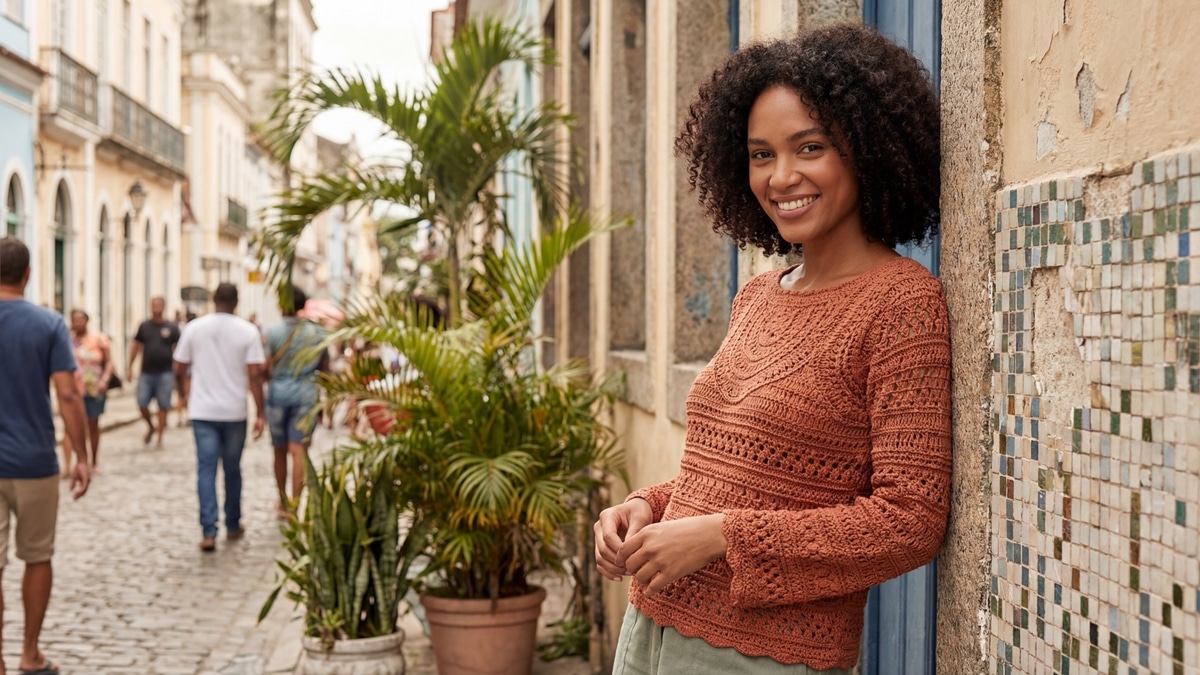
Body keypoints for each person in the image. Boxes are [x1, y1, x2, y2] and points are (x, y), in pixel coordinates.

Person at [593, 24, 951, 674]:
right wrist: (649, 505)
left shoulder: (900, 303)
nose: (781, 176)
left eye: (809, 147)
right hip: (650, 626)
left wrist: (720, 537)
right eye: (761, 154)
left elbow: (910, 518)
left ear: (867, 149)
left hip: (761, 655)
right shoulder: (758, 295)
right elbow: (739, 474)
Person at [0, 237, 90, 675]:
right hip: (34, 460)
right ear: (28, 274)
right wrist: (83, 455)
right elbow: (69, 395)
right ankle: (30, 654)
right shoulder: (49, 324)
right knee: (37, 556)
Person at [173, 283, 267, 552]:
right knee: (233, 469)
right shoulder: (248, 331)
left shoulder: (194, 328)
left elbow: (178, 367)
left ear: (214, 300)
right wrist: (260, 412)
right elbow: (255, 376)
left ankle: (209, 530)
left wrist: (183, 395)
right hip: (234, 411)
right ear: (237, 302)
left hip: (202, 411)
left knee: (206, 469)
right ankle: (234, 523)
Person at [264, 287, 327, 517]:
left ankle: (281, 500)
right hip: (307, 395)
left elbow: (265, 365)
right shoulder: (317, 332)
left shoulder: (273, 332)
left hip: (278, 395)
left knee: (279, 450)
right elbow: (325, 368)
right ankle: (294, 503)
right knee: (298, 450)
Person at [128, 296, 181, 446]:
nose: (156, 307)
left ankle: (159, 436)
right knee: (142, 402)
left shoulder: (171, 327)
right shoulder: (144, 326)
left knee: (163, 405)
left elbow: (178, 349)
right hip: (146, 372)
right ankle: (151, 426)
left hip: (165, 372)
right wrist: (130, 367)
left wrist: (178, 372)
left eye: (158, 305)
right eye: (153, 305)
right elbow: (136, 346)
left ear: (163, 307)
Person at [67, 309, 113, 475]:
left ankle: (93, 460)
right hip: (73, 388)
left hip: (94, 387)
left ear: (87, 321)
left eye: (80, 319)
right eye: (74, 320)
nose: (77, 323)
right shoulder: (67, 341)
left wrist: (105, 380)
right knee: (72, 425)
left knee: (93, 424)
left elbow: (109, 362)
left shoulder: (99, 339)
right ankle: (75, 461)